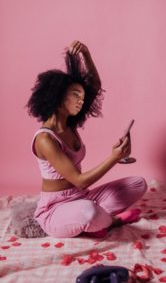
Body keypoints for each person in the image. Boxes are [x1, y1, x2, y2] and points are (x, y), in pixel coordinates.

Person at [27, 40, 147, 238]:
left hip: (82, 196)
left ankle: (96, 218)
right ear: (57, 97)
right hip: (54, 209)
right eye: (75, 95)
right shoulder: (45, 139)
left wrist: (86, 54)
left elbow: (95, 85)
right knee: (88, 212)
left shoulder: (69, 125)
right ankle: (111, 220)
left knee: (138, 184)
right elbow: (80, 181)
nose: (81, 100)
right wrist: (114, 158)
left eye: (81, 96)